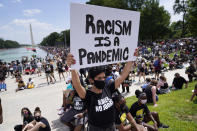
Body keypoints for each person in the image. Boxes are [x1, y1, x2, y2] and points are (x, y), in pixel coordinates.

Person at [67, 53, 134, 131]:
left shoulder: (108, 87)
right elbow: (77, 84)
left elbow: (123, 76)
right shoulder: (88, 95)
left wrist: (131, 59)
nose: (102, 80)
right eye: (99, 78)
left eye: (103, 77)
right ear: (91, 80)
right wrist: (72, 67)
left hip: (111, 126)